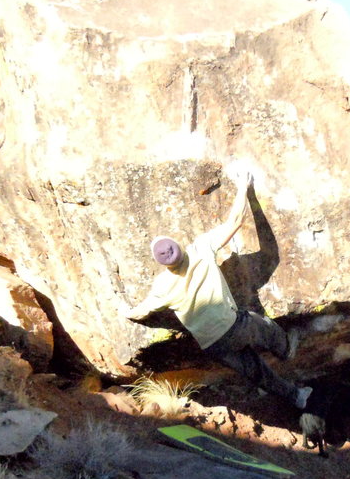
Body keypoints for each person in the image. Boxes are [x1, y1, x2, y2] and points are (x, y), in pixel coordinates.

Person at [120, 171, 312, 409]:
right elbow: (235, 222)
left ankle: (297, 397)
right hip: (235, 327)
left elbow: (141, 311)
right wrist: (243, 187)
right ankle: (285, 349)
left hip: (213, 345)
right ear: (179, 245)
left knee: (256, 372)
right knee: (265, 326)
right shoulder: (200, 249)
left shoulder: (161, 286)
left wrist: (124, 311)